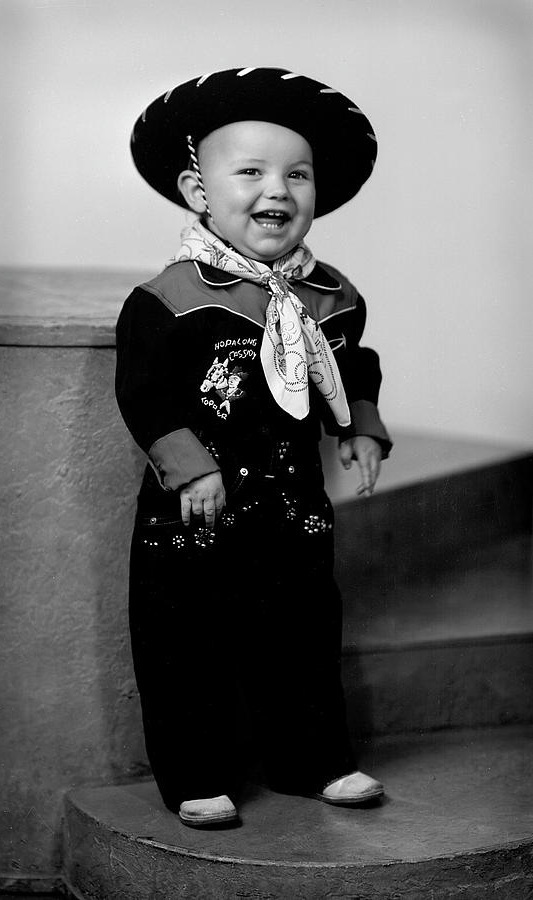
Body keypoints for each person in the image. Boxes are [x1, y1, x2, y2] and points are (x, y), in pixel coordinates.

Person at [115, 67, 392, 829]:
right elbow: (145, 393)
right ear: (198, 190)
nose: (278, 189)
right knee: (186, 642)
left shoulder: (330, 297)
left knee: (301, 634)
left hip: (292, 506)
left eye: (296, 175)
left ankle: (313, 762)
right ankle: (195, 774)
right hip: (196, 514)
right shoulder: (170, 298)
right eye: (251, 172)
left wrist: (359, 426)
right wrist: (188, 468)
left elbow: (352, 364)